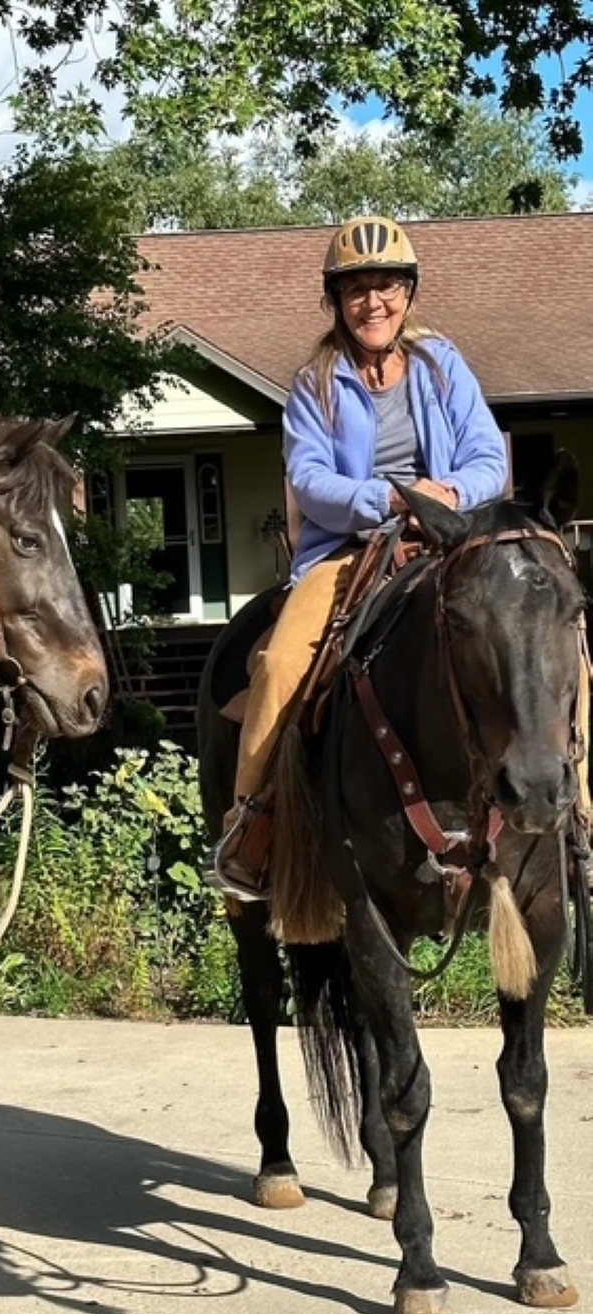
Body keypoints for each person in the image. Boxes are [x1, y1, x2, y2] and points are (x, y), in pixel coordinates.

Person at [207, 214, 510, 902]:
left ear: (409, 294)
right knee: (282, 662)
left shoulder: (442, 365)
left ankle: (571, 812)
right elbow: (310, 481)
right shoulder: (314, 384)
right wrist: (390, 500)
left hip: (448, 541)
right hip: (348, 551)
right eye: (357, 290)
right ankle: (251, 824)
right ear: (336, 300)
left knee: (540, 637)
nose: (374, 302)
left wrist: (451, 491)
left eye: (388, 287)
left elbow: (489, 457)